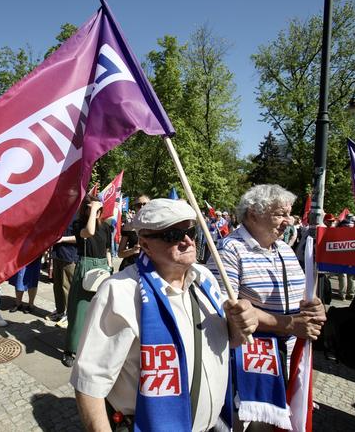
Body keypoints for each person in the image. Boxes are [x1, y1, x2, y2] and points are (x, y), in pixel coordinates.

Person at [71, 198, 258, 431]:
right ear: (145, 244)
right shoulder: (119, 292)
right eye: (172, 235)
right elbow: (89, 384)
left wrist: (242, 323)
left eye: (190, 230)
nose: (188, 240)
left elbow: (228, 341)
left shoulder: (205, 278)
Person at [207, 184, 326, 431]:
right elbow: (223, 310)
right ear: (253, 214)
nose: (289, 221)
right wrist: (290, 324)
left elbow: (301, 295)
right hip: (251, 367)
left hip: (289, 358)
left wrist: (315, 308)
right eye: (280, 214)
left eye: (290, 213)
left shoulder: (284, 248)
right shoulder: (229, 249)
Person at [62, 194, 113, 368]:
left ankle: (90, 348)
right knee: (78, 312)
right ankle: (70, 350)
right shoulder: (79, 225)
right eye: (92, 208)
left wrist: (110, 266)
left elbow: (107, 249)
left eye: (99, 209)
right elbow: (89, 232)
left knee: (98, 313)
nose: (97, 212)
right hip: (85, 267)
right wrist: (92, 210)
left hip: (102, 268)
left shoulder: (106, 227)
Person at [47, 221, 79, 327]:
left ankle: (69, 316)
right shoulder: (63, 213)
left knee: (67, 287)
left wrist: (62, 239)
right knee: (57, 286)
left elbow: (81, 237)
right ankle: (60, 311)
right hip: (57, 254)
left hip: (70, 256)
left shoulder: (78, 215)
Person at [117, 195, 150, 271]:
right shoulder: (129, 226)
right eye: (138, 205)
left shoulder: (157, 225)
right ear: (135, 208)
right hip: (130, 268)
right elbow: (120, 253)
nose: (142, 207)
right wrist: (132, 250)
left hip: (149, 269)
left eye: (145, 204)